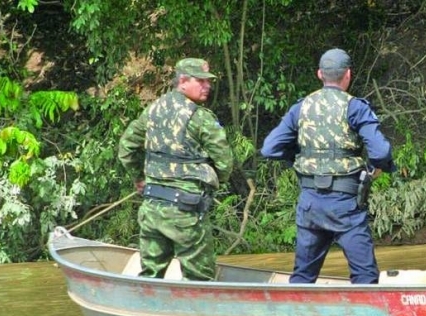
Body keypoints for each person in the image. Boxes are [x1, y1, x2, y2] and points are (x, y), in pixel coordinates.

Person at [260, 48, 396, 284]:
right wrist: (377, 167)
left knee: (303, 276)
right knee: (364, 276)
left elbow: (270, 148)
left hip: (310, 203)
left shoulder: (300, 108)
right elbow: (381, 150)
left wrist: (301, 161)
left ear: (320, 74)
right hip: (346, 204)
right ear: (348, 75)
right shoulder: (355, 107)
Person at [118, 58, 234, 281]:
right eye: (200, 81)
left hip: (152, 208)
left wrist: (139, 178)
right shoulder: (200, 118)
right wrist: (215, 181)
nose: (207, 86)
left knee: (150, 276)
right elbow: (224, 161)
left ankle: (144, 312)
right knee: (199, 280)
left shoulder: (152, 111)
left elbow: (126, 148)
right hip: (186, 211)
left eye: (208, 82)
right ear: (182, 81)